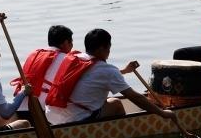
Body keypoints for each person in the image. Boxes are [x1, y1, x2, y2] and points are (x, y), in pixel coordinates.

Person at [45, 28, 181, 126]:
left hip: (51, 115)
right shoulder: (107, 70)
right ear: (102, 49)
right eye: (109, 47)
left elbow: (93, 77)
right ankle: (123, 131)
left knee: (106, 100)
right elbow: (135, 97)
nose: (109, 51)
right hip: (76, 119)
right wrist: (162, 113)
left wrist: (125, 71)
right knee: (115, 103)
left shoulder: (74, 58)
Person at [7, 25, 75, 120]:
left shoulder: (34, 54)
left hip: (20, 109)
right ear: (65, 43)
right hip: (42, 112)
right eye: (71, 42)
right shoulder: (67, 59)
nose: (72, 46)